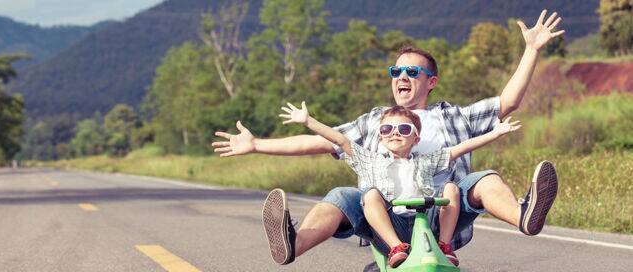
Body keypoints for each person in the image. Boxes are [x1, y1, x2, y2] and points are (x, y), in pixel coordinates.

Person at [215, 10, 562, 266]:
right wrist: (257, 144)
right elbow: (324, 141)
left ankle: (524, 216)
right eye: (396, 71)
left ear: (431, 82)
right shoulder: (375, 122)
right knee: (341, 196)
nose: (402, 76)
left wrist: (531, 49)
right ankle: (292, 243)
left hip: (444, 214)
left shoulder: (454, 116)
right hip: (386, 217)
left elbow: (508, 102)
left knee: (485, 179)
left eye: (413, 71)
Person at [277, 102, 521, 267]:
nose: (395, 133)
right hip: (389, 227)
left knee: (451, 188)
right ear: (381, 136)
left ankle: (445, 246)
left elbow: (461, 148)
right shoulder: (369, 160)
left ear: (416, 138)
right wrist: (308, 121)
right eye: (387, 129)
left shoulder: (427, 160)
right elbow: (339, 139)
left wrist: (495, 133)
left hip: (427, 224)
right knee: (370, 194)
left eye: (404, 129)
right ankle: (395, 249)